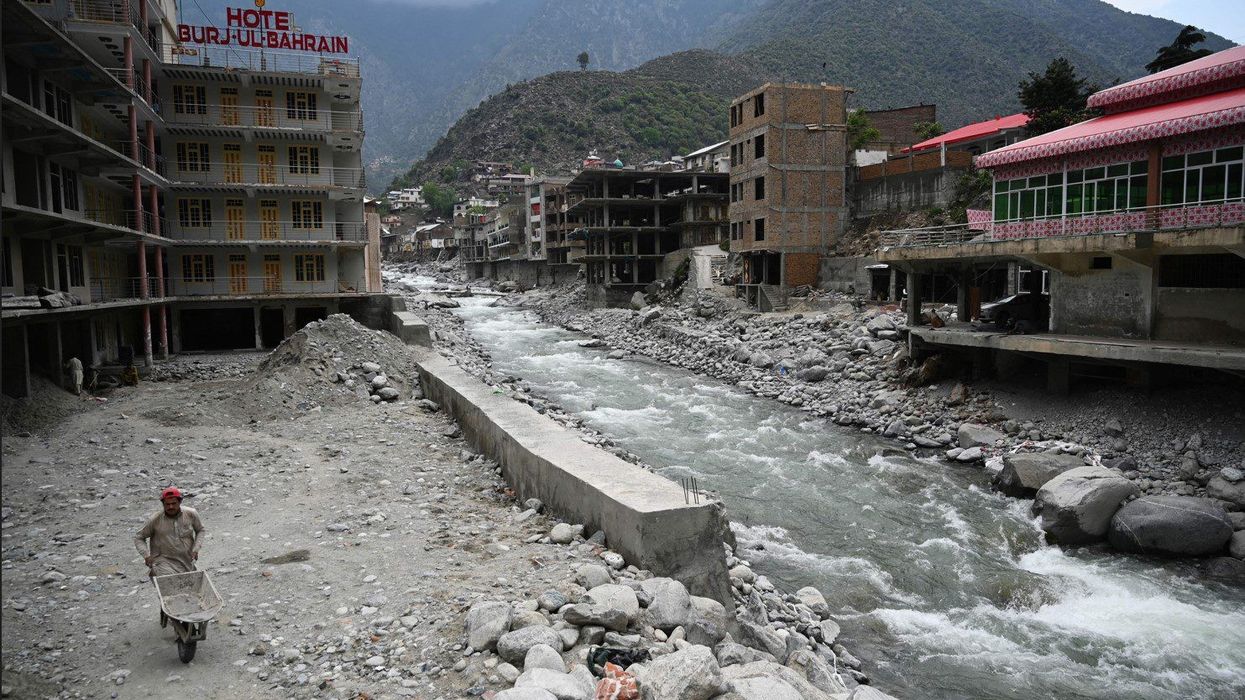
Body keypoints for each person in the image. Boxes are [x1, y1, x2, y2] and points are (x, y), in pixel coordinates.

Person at [134, 487, 205, 578]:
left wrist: (196, 549)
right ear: (163, 504)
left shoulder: (191, 514)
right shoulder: (155, 519)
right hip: (163, 561)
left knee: (187, 588)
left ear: (180, 502)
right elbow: (139, 537)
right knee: (172, 584)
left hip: (186, 561)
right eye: (167, 504)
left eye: (173, 503)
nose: (170, 507)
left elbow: (200, 530)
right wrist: (146, 556)